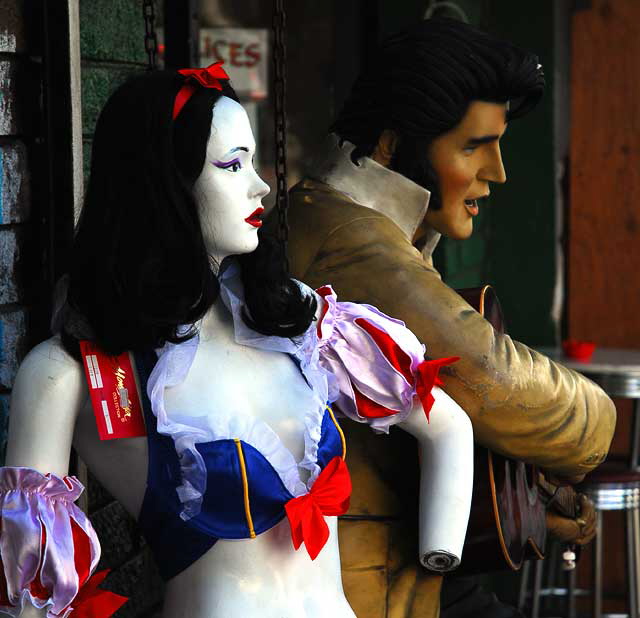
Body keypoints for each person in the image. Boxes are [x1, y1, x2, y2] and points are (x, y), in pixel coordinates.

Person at [0, 65, 474, 618]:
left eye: (252, 161)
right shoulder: (69, 372)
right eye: (231, 165)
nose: (261, 185)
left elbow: (446, 424)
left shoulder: (296, 320)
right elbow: (29, 602)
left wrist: (439, 549)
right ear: (164, 184)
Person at [281, 18, 615, 618]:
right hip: (365, 591)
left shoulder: (368, 230)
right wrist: (602, 422)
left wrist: (526, 490)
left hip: (400, 572)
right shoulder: (349, 240)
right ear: (390, 145)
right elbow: (496, 382)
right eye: (471, 147)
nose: (498, 172)